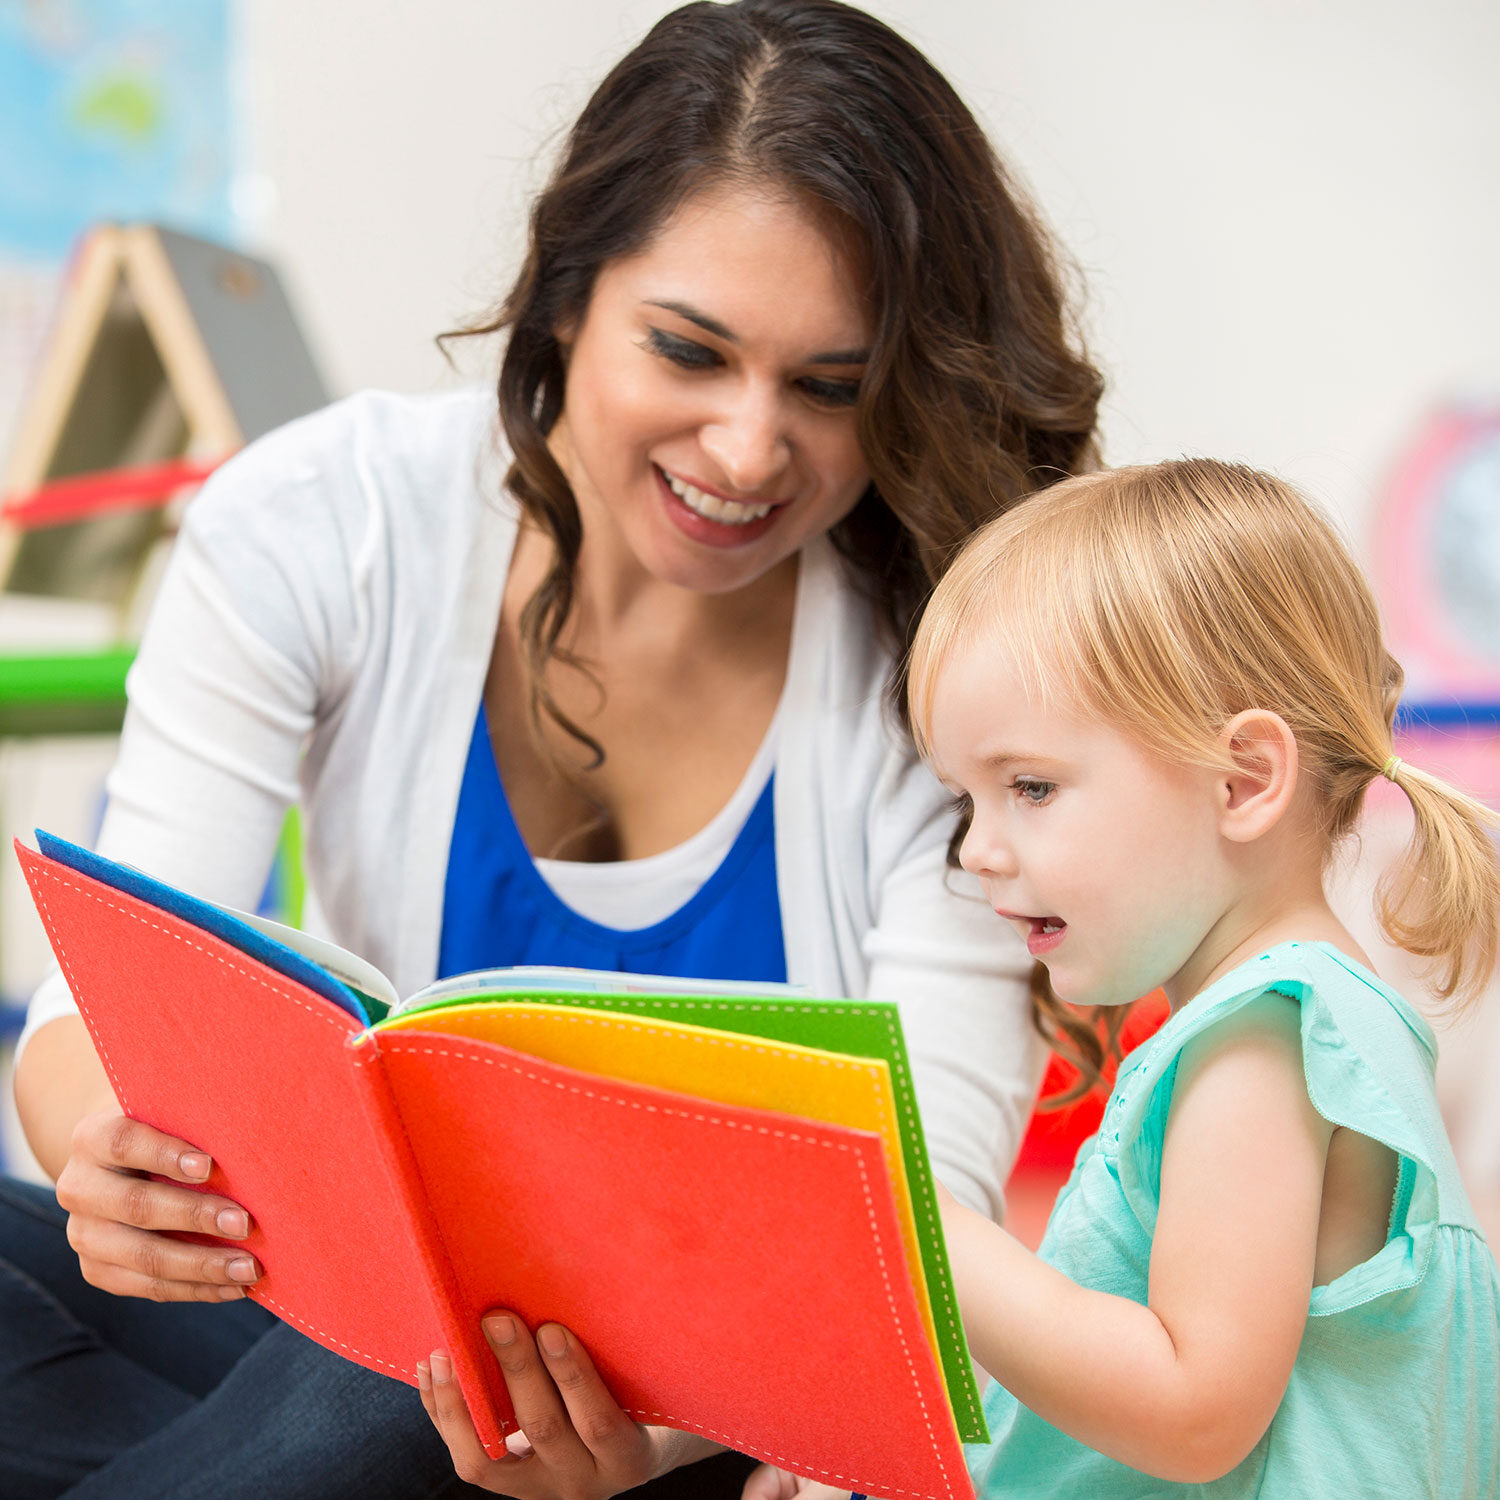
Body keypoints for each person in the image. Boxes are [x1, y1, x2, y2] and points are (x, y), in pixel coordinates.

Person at [0, 2, 1103, 1497]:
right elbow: (101, 1002)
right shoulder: (327, 520)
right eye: (691, 351)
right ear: (569, 294)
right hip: (333, 1345)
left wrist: (637, 1445)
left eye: (829, 387)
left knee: (408, 1376)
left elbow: (925, 1250)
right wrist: (107, 1159)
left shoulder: (947, 684)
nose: (747, 450)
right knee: (360, 1355)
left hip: (686, 1420)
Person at [872, 457, 1498, 1498]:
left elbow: (1190, 1413)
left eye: (1029, 786)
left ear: (1246, 779)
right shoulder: (1298, 1021)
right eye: (965, 801)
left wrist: (921, 1222)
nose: (978, 849)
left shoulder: (1263, 1038)